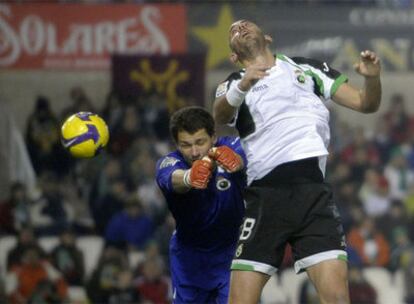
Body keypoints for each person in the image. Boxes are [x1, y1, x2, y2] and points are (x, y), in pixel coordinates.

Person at [212, 19, 381, 304]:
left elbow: (366, 103)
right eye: (233, 31)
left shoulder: (308, 68)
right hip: (265, 196)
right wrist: (243, 83)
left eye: (246, 25)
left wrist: (373, 78)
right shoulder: (232, 83)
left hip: (312, 194)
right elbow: (218, 115)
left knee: (338, 299)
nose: (239, 28)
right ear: (233, 56)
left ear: (267, 36)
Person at [155, 106, 246, 303]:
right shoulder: (169, 163)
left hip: (231, 254)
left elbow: (245, 156)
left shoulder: (230, 146)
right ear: (176, 144)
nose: (194, 152)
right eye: (186, 145)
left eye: (200, 142)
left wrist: (236, 161)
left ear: (213, 137)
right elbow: (173, 179)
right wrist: (190, 177)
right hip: (189, 260)